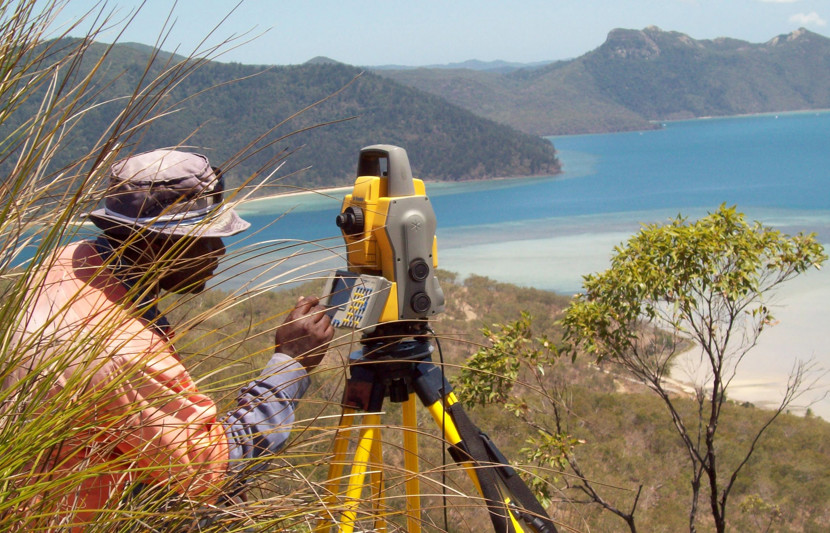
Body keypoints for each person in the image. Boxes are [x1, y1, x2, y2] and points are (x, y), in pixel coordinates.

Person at [4, 149, 334, 529]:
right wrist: (290, 364)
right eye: (205, 239)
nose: (219, 251)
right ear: (156, 242)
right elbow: (209, 472)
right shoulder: (122, 349)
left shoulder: (62, 262)